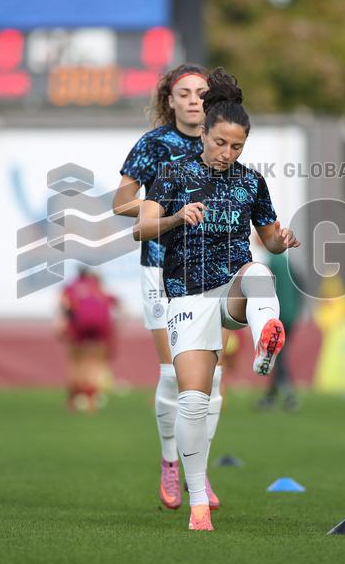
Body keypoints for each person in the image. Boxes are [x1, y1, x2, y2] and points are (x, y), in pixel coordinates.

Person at [134, 68, 300, 531]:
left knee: (261, 273)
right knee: (194, 400)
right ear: (203, 133)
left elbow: (269, 238)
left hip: (232, 291)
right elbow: (140, 228)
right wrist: (175, 218)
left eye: (238, 147)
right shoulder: (172, 174)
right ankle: (198, 502)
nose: (228, 153)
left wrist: (284, 238)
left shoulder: (251, 182)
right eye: (221, 143)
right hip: (186, 295)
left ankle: (266, 338)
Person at [113, 64, 227, 511]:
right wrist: (168, 205)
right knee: (170, 375)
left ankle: (199, 469)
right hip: (161, 267)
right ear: (170, 100)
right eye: (185, 93)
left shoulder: (221, 139)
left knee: (211, 381)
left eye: (202, 92)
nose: (194, 99)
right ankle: (169, 463)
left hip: (211, 269)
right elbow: (121, 203)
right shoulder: (154, 144)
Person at [59, 268, 117, 412]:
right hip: (100, 325)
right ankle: (91, 400)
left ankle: (73, 400)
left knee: (76, 363)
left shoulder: (70, 287)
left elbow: (65, 306)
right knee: (94, 363)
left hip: (79, 324)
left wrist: (62, 326)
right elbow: (114, 303)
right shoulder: (97, 286)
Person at [256, 251, 300, 412]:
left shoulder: (270, 262)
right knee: (276, 356)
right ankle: (270, 397)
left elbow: (262, 290)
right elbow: (300, 285)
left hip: (277, 316)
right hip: (290, 314)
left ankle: (289, 396)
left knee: (276, 357)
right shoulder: (286, 261)